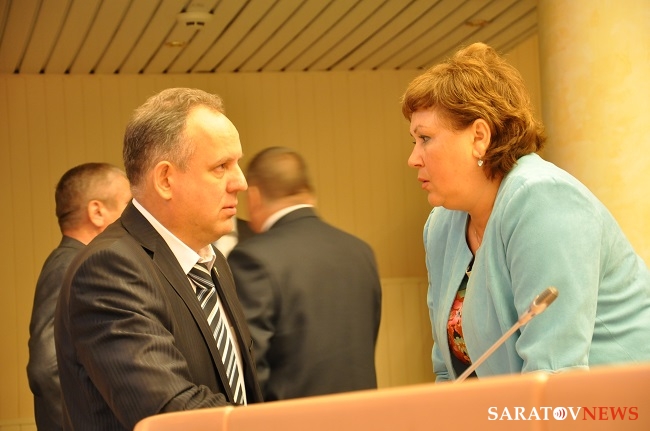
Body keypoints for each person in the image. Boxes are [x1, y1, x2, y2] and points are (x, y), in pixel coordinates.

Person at [402, 42, 650, 382]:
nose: (413, 158)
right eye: (414, 141)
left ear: (479, 137)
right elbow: (449, 372)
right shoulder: (441, 226)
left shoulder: (544, 200)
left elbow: (555, 375)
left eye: (425, 138)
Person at [54, 88, 263, 431]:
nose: (240, 182)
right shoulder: (110, 269)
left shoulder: (211, 263)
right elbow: (171, 412)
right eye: (221, 167)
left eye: (236, 164)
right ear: (166, 179)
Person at [228, 146, 382, 401]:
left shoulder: (252, 258)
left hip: (293, 417)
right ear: (308, 192)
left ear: (253, 196)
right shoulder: (359, 251)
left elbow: (250, 364)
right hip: (362, 412)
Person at [27, 163, 131, 431]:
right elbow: (45, 368)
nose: (136, 216)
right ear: (97, 212)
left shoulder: (82, 263)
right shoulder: (70, 267)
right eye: (129, 204)